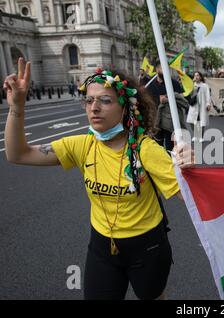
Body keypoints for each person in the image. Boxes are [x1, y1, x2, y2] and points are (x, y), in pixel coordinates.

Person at [4, 58, 194, 300]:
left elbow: (192, 199)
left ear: (125, 108)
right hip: (102, 246)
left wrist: (189, 169)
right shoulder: (82, 145)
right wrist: (17, 108)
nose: (94, 107)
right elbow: (18, 153)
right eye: (89, 100)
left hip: (147, 248)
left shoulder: (145, 149)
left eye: (105, 101)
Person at [147, 60, 183, 150]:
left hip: (170, 120)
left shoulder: (174, 83)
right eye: (163, 68)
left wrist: (169, 98)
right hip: (156, 120)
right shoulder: (150, 85)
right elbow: (147, 102)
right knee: (157, 144)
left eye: (167, 68)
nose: (166, 70)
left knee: (170, 146)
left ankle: (170, 162)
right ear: (157, 69)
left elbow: (181, 99)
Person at [186, 72, 211, 142]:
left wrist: (208, 104)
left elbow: (208, 95)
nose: (196, 77)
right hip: (194, 106)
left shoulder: (205, 85)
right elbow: (188, 93)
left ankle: (201, 136)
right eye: (195, 75)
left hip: (202, 106)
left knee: (201, 121)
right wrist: (191, 84)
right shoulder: (192, 85)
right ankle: (196, 135)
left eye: (197, 75)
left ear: (200, 77)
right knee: (191, 121)